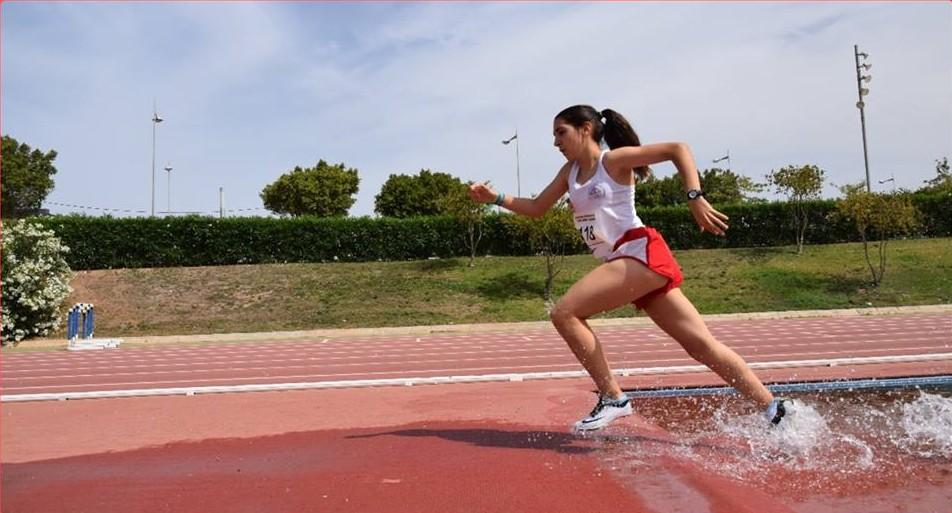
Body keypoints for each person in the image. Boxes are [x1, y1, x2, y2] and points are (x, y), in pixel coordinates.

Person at [469, 105, 789, 432]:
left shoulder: (612, 161)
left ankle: (613, 398)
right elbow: (537, 207)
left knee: (564, 313)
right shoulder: (569, 173)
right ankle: (774, 408)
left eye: (561, 133)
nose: (555, 142)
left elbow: (678, 149)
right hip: (630, 264)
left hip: (639, 253)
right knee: (701, 346)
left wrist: (694, 196)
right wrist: (495, 198)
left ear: (585, 129)